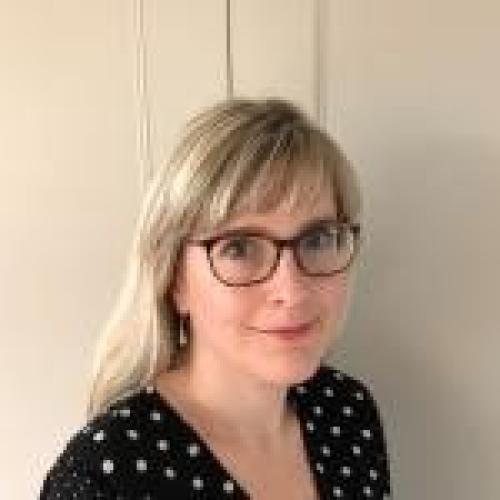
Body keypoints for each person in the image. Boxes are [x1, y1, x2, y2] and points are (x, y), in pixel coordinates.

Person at [40, 98, 391, 499]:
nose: (291, 291)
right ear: (175, 278)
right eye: (239, 248)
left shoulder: (346, 412)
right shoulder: (105, 475)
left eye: (317, 239)